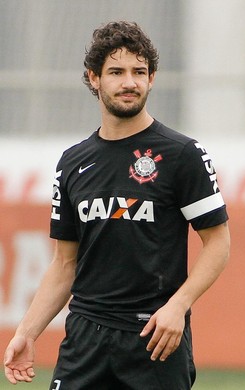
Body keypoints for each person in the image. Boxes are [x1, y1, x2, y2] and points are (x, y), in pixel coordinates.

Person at [3, 21, 230, 389]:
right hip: (84, 342)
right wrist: (27, 332)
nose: (130, 82)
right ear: (94, 79)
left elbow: (219, 243)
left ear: (152, 78)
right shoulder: (73, 162)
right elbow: (64, 264)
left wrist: (178, 306)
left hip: (153, 341)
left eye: (140, 72)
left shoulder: (183, 155)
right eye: (117, 72)